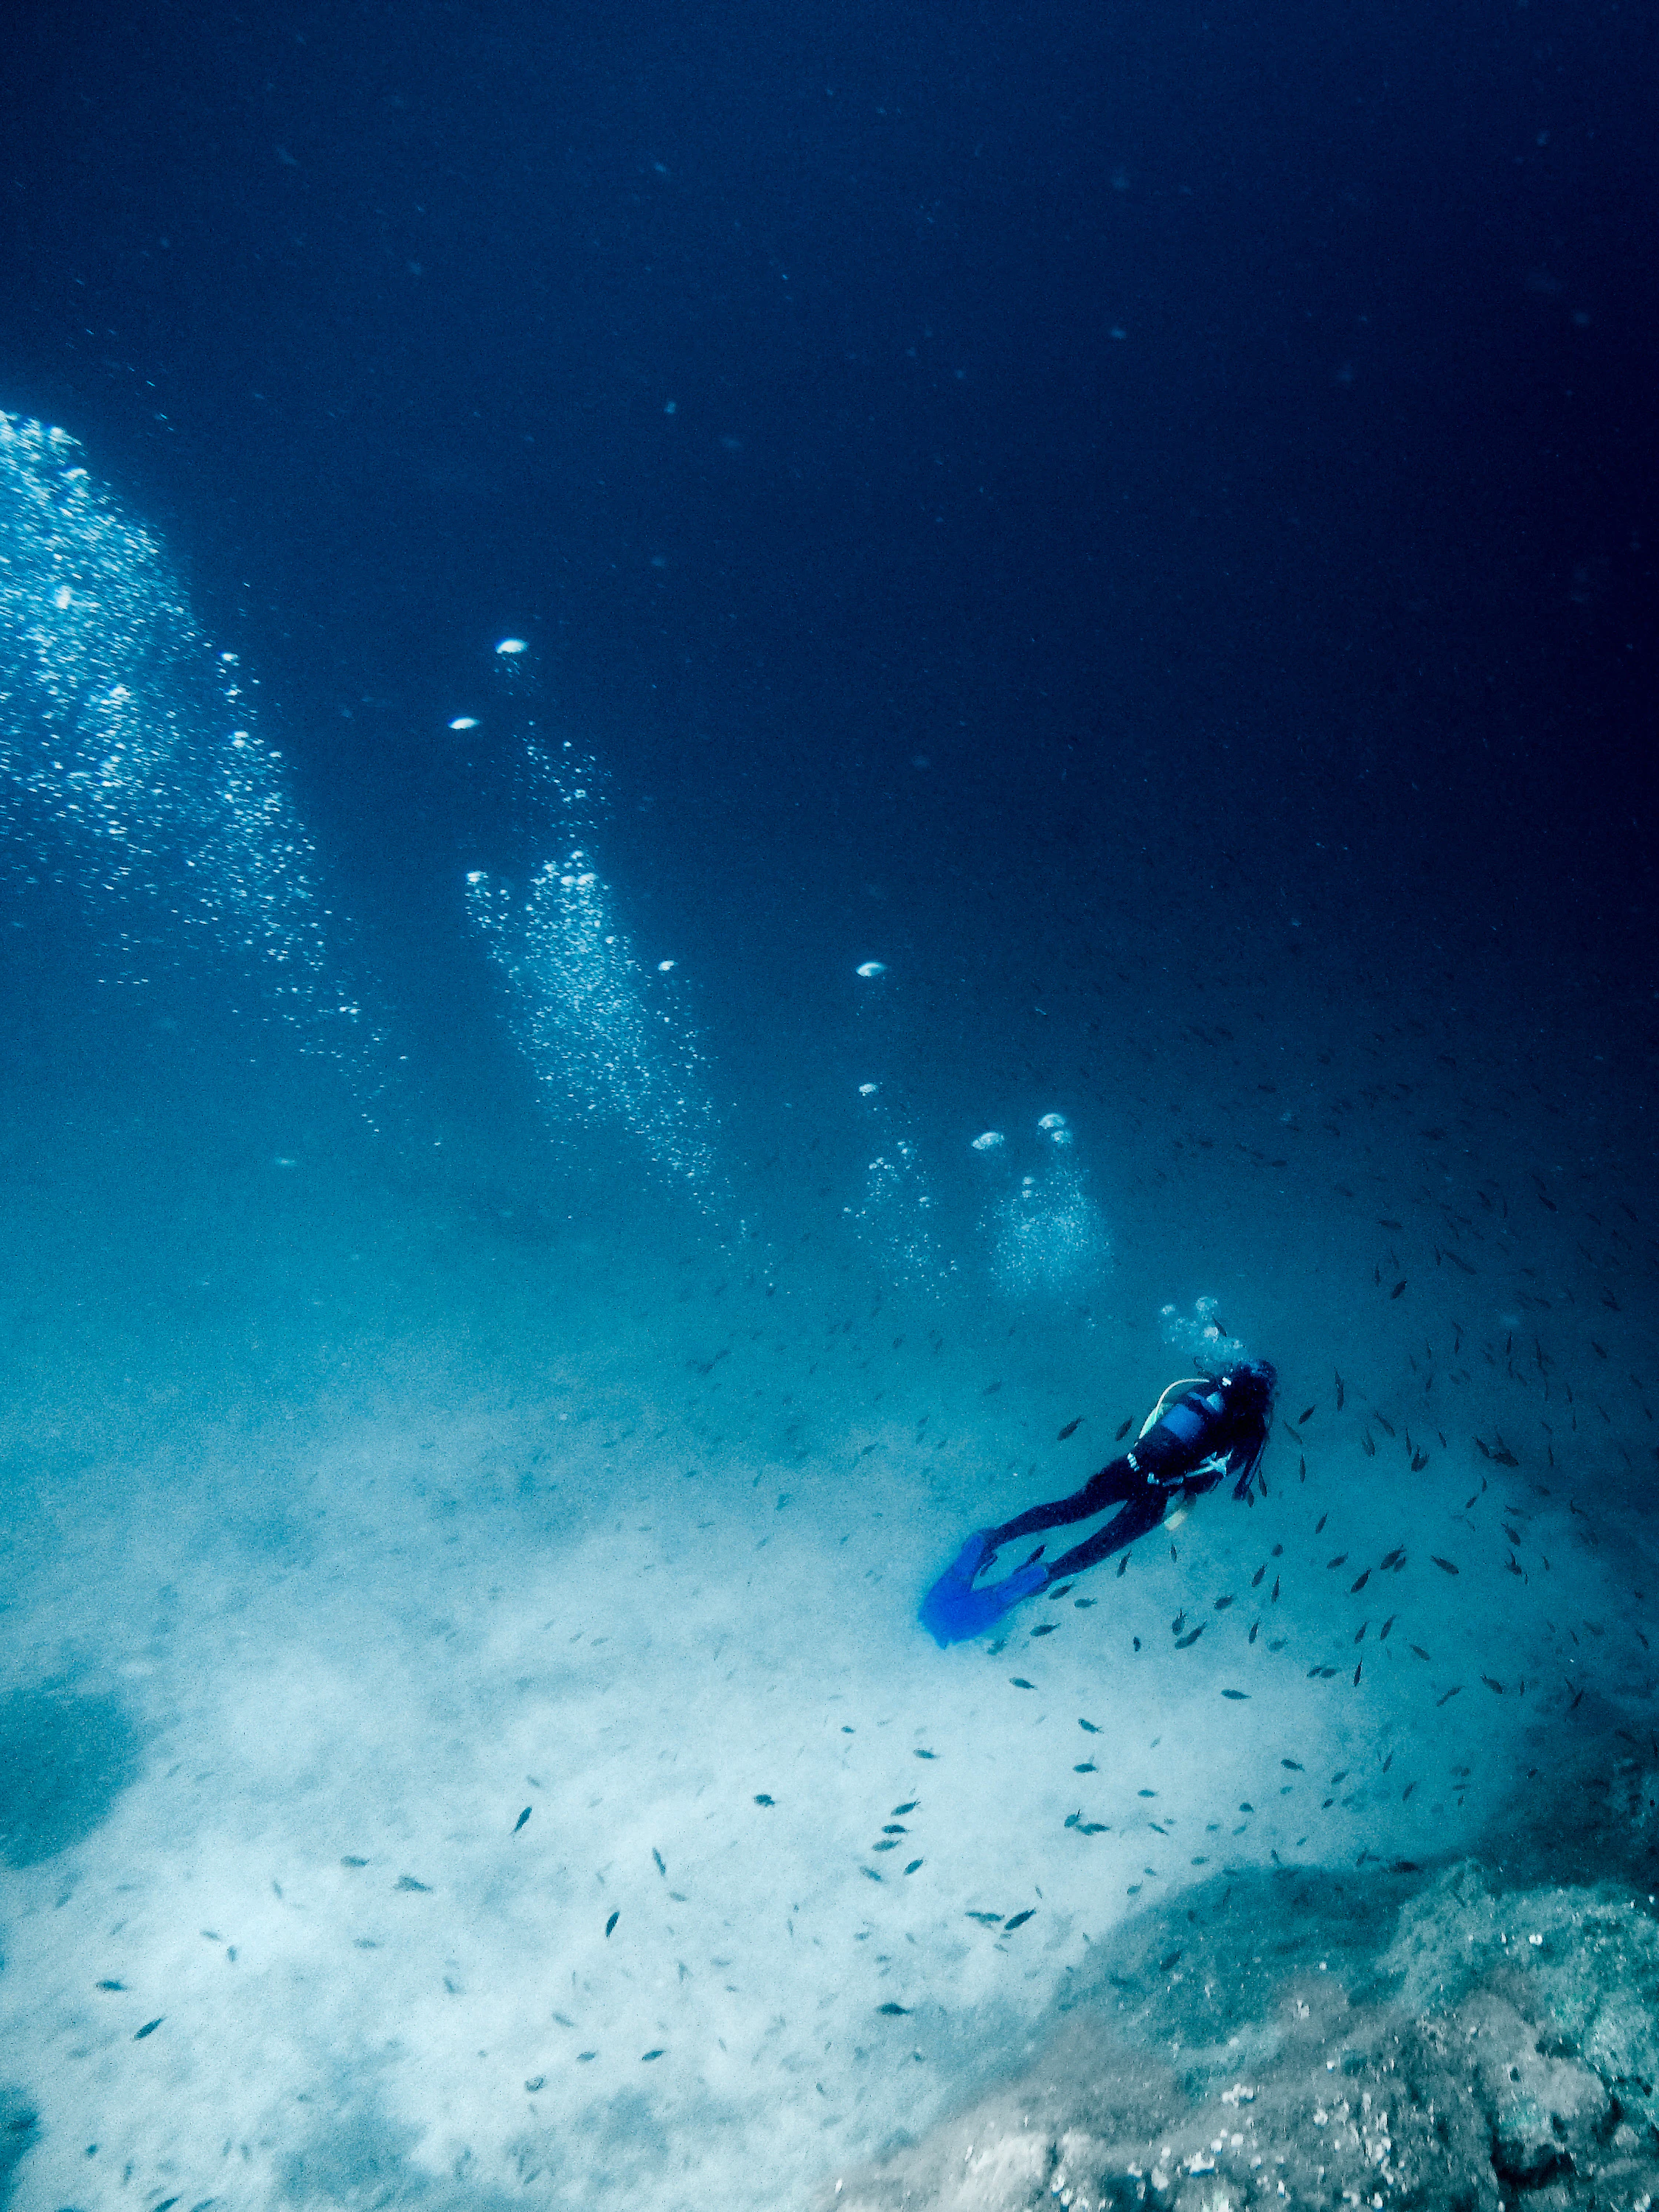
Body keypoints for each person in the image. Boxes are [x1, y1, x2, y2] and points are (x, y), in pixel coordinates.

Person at [919, 1361, 1279, 1646]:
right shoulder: (1254, 1427)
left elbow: (1155, 1421)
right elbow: (1225, 1480)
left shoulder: (1202, 1389)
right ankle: (1046, 1574)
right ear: (1265, 1394)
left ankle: (990, 1539)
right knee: (1097, 1547)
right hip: (1163, 1492)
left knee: (1069, 1509)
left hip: (1131, 1465)